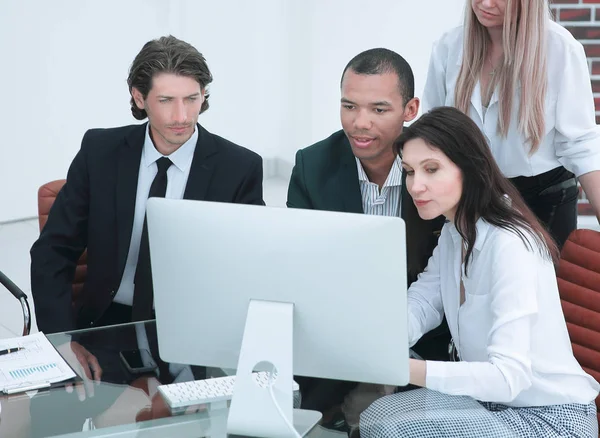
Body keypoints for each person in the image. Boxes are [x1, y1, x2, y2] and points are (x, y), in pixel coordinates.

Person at [30, 36, 264, 386]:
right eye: (166, 101)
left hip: (194, 335)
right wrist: (62, 340)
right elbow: (53, 251)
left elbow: (250, 268)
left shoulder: (239, 168)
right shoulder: (100, 152)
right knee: (52, 416)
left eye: (192, 99)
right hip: (106, 325)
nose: (181, 116)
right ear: (139, 98)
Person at [359, 106, 600, 438]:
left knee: (395, 431)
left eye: (431, 170)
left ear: (469, 170)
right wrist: (380, 340)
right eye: (410, 171)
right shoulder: (454, 230)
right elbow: (424, 302)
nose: (416, 186)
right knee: (377, 418)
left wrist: (405, 368)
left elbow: (508, 377)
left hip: (550, 420)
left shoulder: (510, 245)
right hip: (489, 404)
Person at [287, 48, 448, 431]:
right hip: (335, 345)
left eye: (378, 109)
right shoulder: (313, 165)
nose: (360, 123)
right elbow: (303, 267)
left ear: (410, 109)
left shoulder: (438, 166)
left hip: (424, 349)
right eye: (349, 106)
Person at [423, 0, 600, 248]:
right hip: (470, 199)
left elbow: (581, 144)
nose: (484, 3)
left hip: (542, 203)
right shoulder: (449, 47)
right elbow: (434, 133)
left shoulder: (560, 49)